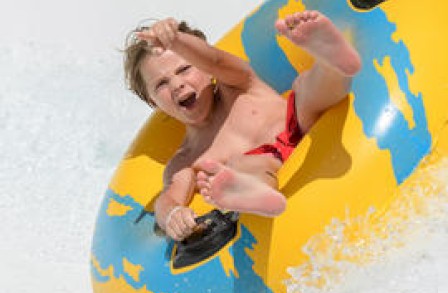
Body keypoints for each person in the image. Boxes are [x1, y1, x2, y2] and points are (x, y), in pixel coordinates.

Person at [124, 10, 361, 241]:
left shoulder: (237, 84)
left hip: (298, 120)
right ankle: (253, 194)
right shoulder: (185, 162)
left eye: (185, 69)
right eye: (161, 84)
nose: (177, 84)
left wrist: (175, 40)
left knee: (306, 89)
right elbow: (168, 199)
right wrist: (172, 215)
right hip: (267, 163)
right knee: (243, 167)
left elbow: (215, 59)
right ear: (151, 102)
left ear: (206, 69)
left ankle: (332, 62)